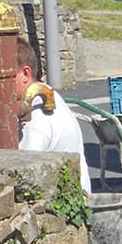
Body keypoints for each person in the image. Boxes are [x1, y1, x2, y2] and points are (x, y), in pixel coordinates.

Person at [14, 40, 91, 194]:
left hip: (58, 203)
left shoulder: (37, 120)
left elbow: (21, 175)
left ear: (25, 74)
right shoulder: (46, 92)